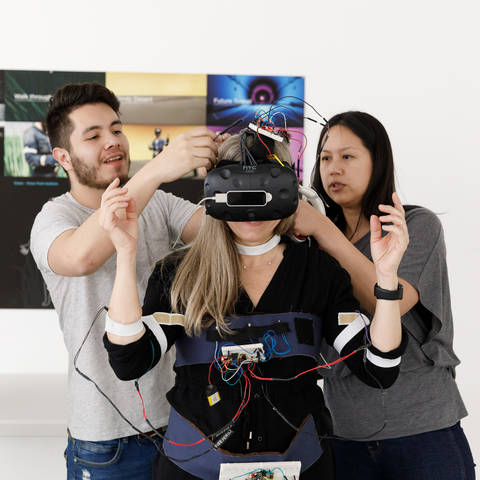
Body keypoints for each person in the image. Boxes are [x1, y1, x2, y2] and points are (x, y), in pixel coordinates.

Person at [100, 130, 409, 479]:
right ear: (215, 194)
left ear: (290, 193)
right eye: (237, 193)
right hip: (194, 467)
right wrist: (125, 253)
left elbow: (378, 369)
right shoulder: (181, 272)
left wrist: (386, 279)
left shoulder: (318, 271)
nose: (251, 208)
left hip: (302, 465)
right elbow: (129, 360)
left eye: (266, 191)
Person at [30, 82, 222, 479]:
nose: (112, 142)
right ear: (62, 156)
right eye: (94, 135)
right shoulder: (54, 219)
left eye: (116, 129)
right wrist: (158, 168)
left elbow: (222, 237)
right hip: (104, 443)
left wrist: (241, 180)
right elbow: (82, 256)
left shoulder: (159, 202)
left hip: (178, 424)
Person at [292, 111, 475, 479]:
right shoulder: (305, 242)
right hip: (344, 434)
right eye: (325, 158)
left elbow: (388, 302)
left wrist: (325, 233)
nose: (333, 169)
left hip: (424, 431)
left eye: (348, 156)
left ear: (378, 161)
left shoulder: (411, 226)